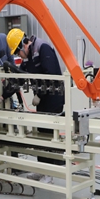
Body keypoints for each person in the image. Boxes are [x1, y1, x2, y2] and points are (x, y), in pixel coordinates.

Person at [6, 29, 65, 183]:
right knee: (41, 135)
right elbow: (20, 78)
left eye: (18, 52)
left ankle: (49, 173)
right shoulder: (29, 56)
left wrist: (39, 95)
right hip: (43, 102)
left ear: (23, 44)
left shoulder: (43, 49)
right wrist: (2, 96)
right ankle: (42, 169)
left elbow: (51, 75)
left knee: (48, 137)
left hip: (53, 99)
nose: (19, 56)